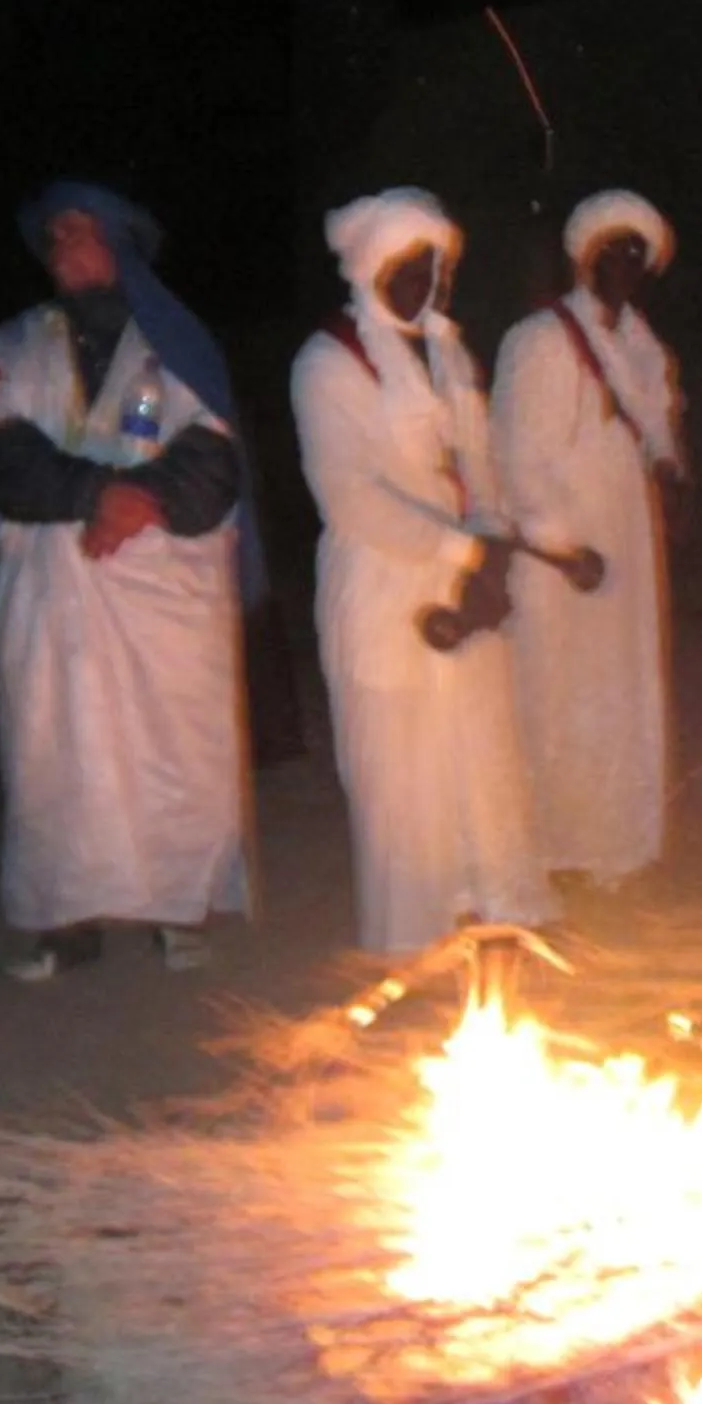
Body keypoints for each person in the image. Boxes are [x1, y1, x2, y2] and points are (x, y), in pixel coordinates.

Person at [0, 183, 250, 984]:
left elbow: (214, 460)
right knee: (58, 752)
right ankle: (68, 919)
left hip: (162, 590)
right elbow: (5, 456)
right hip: (52, 591)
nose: (63, 245)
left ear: (121, 247)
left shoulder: (181, 345)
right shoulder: (13, 342)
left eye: (80, 231)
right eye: (53, 234)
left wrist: (146, 501)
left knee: (174, 752)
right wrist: (100, 494)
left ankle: (178, 908)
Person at [290, 190, 553, 954]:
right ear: (371, 264)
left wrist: (494, 545)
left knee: (477, 753)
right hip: (382, 584)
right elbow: (350, 496)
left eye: (437, 265)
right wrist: (466, 552)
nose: (427, 280)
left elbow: (481, 462)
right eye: (409, 264)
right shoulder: (327, 361)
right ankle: (414, 944)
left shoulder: (446, 351)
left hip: (464, 583)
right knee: (401, 774)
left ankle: (492, 922)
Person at [491, 190, 682, 894]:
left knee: (619, 690)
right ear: (585, 258)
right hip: (561, 558)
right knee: (556, 695)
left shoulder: (640, 344)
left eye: (639, 254)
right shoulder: (539, 340)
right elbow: (514, 452)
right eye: (615, 252)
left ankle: (613, 847)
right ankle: (549, 851)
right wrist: (559, 542)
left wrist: (668, 464)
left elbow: (657, 425)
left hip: (627, 535)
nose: (627, 265)